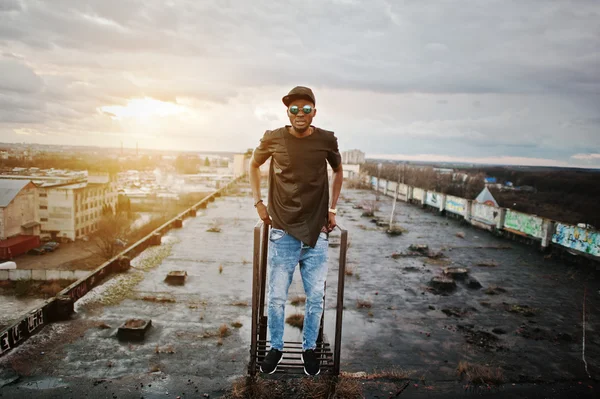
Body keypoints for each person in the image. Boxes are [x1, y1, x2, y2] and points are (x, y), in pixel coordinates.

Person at [249, 86, 343, 376]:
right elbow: (253, 165)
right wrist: (258, 203)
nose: (299, 114)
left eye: (305, 109)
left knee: (316, 298)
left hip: (317, 233)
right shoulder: (273, 138)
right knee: (277, 297)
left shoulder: (326, 140)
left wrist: (333, 209)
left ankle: (309, 349)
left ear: (314, 111)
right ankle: (275, 347)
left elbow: (339, 171)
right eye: (294, 109)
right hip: (283, 233)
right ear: (287, 112)